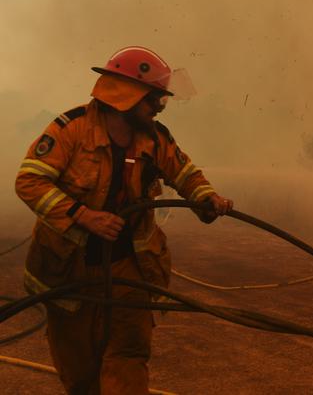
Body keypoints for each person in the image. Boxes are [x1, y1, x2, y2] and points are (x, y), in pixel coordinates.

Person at [15, 46, 234, 394]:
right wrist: (82, 215)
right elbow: (29, 181)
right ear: (128, 98)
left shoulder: (156, 138)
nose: (159, 109)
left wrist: (206, 198)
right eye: (154, 101)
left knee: (129, 358)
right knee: (80, 372)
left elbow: (187, 173)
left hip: (131, 269)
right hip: (70, 272)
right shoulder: (70, 130)